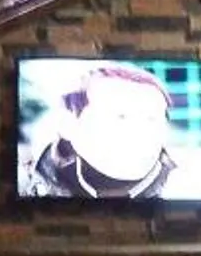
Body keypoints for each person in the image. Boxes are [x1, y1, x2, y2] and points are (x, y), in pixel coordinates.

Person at [20, 62, 181, 199]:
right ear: (67, 125)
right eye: (121, 116)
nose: (141, 133)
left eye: (152, 119)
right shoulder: (24, 186)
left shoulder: (190, 187)